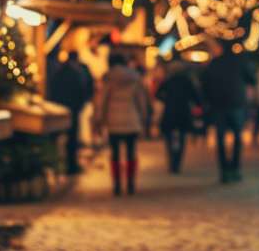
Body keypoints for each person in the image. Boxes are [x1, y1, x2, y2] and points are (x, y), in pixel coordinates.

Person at [94, 53, 151, 196]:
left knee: (115, 154)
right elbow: (141, 101)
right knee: (131, 152)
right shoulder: (134, 78)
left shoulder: (108, 79)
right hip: (132, 119)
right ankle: (131, 183)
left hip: (113, 121)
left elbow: (102, 102)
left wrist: (99, 120)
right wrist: (143, 119)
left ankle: (117, 185)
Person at [201, 41, 258, 183]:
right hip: (236, 104)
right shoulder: (240, 62)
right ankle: (235, 168)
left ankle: (224, 170)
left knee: (220, 139)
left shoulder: (215, 63)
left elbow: (205, 84)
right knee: (237, 137)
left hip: (219, 105)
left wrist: (208, 101)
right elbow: (252, 79)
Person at [47, 51, 93, 175]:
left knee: (61, 138)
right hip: (73, 109)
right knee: (71, 138)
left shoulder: (60, 72)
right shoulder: (76, 73)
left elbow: (54, 89)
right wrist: (80, 104)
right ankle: (70, 166)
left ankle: (61, 166)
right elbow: (82, 90)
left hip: (62, 108)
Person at [155, 60, 201, 174]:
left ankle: (171, 162)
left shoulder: (168, 81)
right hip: (183, 111)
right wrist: (198, 105)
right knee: (182, 137)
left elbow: (157, 94)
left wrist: (166, 100)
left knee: (169, 138)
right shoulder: (187, 81)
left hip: (170, 111)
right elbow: (195, 96)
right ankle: (177, 163)